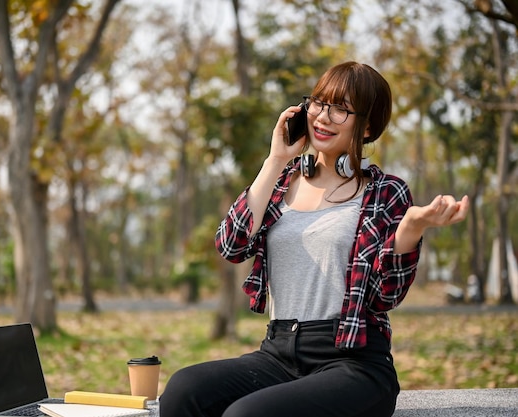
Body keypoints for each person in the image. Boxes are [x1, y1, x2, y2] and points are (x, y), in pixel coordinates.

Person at [159, 61, 469, 417]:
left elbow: (386, 297)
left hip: (354, 362)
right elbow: (231, 245)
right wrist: (275, 160)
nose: (323, 116)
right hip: (278, 352)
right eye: (319, 103)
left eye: (341, 109)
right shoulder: (281, 183)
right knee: (184, 390)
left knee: (247, 415)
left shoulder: (385, 192)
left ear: (366, 126)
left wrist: (410, 229)